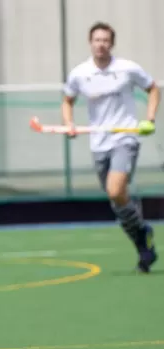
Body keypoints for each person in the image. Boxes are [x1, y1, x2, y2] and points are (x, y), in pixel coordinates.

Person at [62, 21, 159, 272]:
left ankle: (141, 236)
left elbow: (152, 88)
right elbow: (67, 100)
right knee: (117, 201)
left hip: (124, 139)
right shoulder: (80, 74)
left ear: (111, 44)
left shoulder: (127, 68)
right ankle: (142, 240)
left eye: (105, 40)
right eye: (97, 40)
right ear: (90, 43)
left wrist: (149, 119)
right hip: (99, 143)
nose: (101, 44)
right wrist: (69, 124)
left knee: (116, 191)